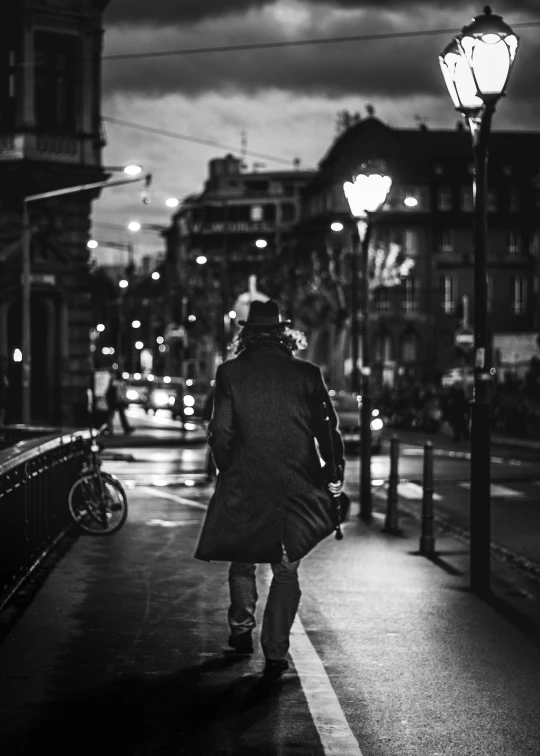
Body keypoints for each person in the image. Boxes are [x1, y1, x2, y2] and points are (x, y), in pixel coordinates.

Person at [194, 299, 344, 684]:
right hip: (295, 482)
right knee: (286, 566)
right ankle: (275, 653)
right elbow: (327, 428)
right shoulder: (308, 374)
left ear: (246, 335)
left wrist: (229, 468)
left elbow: (220, 432)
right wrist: (333, 471)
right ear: (283, 334)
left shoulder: (230, 373)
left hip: (246, 477)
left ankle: (241, 629)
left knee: (243, 557)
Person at [105, 371, 134, 435]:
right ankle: (125, 429)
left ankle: (110, 429)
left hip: (115, 401)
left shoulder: (114, 382)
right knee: (118, 416)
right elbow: (121, 393)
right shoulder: (120, 383)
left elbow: (110, 392)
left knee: (111, 416)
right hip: (117, 401)